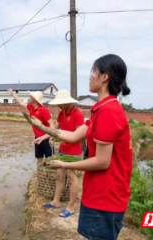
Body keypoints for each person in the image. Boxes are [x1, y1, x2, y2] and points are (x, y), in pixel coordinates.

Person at [23, 54, 132, 240]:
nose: (90, 76)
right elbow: (73, 136)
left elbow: (102, 162)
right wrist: (42, 129)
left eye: (93, 71)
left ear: (104, 76)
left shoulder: (109, 112)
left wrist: (64, 165)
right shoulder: (100, 109)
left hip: (106, 198)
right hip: (98, 195)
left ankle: (69, 206)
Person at [33, 90, 84, 218]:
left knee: (72, 179)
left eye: (60, 103)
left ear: (67, 102)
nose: (58, 106)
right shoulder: (62, 113)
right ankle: (55, 202)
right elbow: (54, 130)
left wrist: (61, 138)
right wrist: (43, 138)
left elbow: (79, 137)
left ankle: (70, 207)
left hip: (73, 154)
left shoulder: (78, 115)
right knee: (59, 177)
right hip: (62, 151)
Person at [7, 88, 54, 165]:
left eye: (30, 96)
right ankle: (39, 175)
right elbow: (21, 102)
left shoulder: (43, 110)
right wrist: (12, 94)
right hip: (37, 138)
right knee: (39, 158)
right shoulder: (31, 108)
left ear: (35, 99)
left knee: (50, 160)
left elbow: (52, 124)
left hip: (46, 139)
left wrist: (51, 137)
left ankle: (51, 176)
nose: (29, 98)